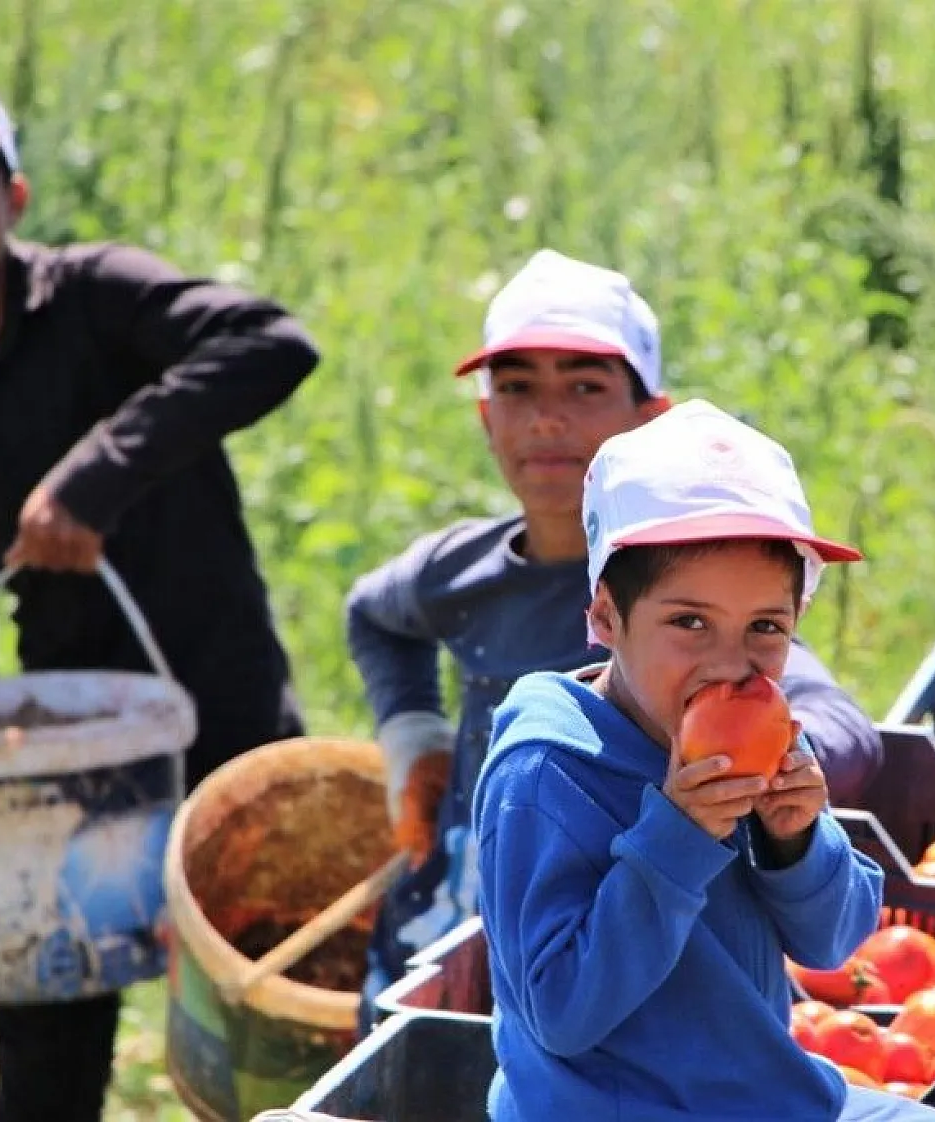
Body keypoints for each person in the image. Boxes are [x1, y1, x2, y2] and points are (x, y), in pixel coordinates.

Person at [0, 55, 317, 1122]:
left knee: (274, 1025)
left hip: (221, 707)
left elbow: (271, 342)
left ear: (10, 196)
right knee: (46, 1058)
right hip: (63, 759)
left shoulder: (101, 301)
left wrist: (97, 473)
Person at [343, 249, 884, 1020]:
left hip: (635, 930)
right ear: (485, 415)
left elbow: (842, 728)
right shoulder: (458, 571)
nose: (549, 417)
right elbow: (372, 614)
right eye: (518, 387)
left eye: (586, 386)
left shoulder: (709, 594)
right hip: (467, 912)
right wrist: (414, 740)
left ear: (649, 418)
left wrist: (754, 764)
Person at [471, 399, 935, 1122]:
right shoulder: (545, 773)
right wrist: (678, 835)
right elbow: (563, 1013)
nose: (730, 664)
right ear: (605, 617)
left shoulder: (759, 737)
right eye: (689, 622)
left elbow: (834, 941)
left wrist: (796, 839)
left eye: (765, 627)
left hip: (764, 1099)